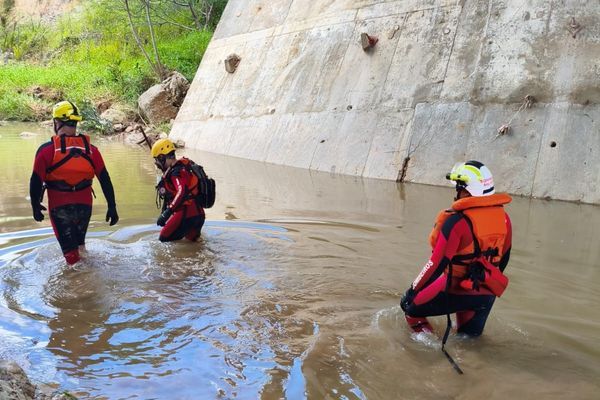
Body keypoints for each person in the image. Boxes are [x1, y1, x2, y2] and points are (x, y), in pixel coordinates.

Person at [400, 161, 512, 337]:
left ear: (468, 190)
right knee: (468, 344)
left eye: (458, 188)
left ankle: (430, 350)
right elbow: (503, 259)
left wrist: (411, 292)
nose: (456, 193)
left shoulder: (457, 222)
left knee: (412, 311)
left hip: (455, 287)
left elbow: (435, 265)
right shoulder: (504, 218)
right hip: (487, 293)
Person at [29, 100, 119, 265]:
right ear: (76, 122)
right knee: (80, 247)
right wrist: (112, 206)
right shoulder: (92, 150)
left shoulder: (46, 150)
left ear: (57, 122)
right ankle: (90, 273)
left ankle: (81, 287)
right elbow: (105, 179)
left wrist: (35, 205)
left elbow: (35, 180)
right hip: (85, 207)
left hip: (60, 208)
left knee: (71, 258)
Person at [151, 138, 206, 242]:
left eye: (157, 160)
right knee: (193, 246)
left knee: (163, 239)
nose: (157, 164)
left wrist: (166, 213)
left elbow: (182, 191)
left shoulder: (175, 172)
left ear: (162, 157)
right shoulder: (184, 167)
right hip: (199, 214)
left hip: (186, 214)